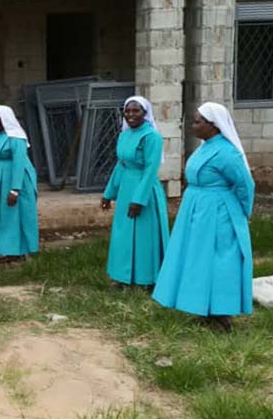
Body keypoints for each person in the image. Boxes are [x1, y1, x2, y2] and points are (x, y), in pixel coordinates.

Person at [152, 102, 255, 332]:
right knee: (199, 260)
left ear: (214, 125)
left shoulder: (227, 153)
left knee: (219, 261)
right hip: (198, 210)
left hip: (219, 213)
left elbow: (245, 185)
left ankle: (221, 315)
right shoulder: (205, 147)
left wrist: (240, 215)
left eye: (198, 121)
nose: (193, 125)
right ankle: (202, 307)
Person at [100, 96, 169, 288]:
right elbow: (121, 165)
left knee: (144, 235)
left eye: (136, 110)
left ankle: (146, 279)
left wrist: (139, 199)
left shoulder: (151, 137)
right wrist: (108, 193)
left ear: (145, 113)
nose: (130, 114)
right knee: (124, 234)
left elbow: (150, 169)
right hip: (125, 189)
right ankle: (123, 276)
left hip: (144, 189)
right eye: (127, 110)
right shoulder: (125, 134)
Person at [0, 105, 39, 265]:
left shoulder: (16, 138)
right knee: (3, 215)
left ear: (4, 121)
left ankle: (19, 251)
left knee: (16, 215)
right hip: (0, 176)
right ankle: (8, 250)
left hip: (17, 178)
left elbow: (19, 163)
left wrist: (15, 189)